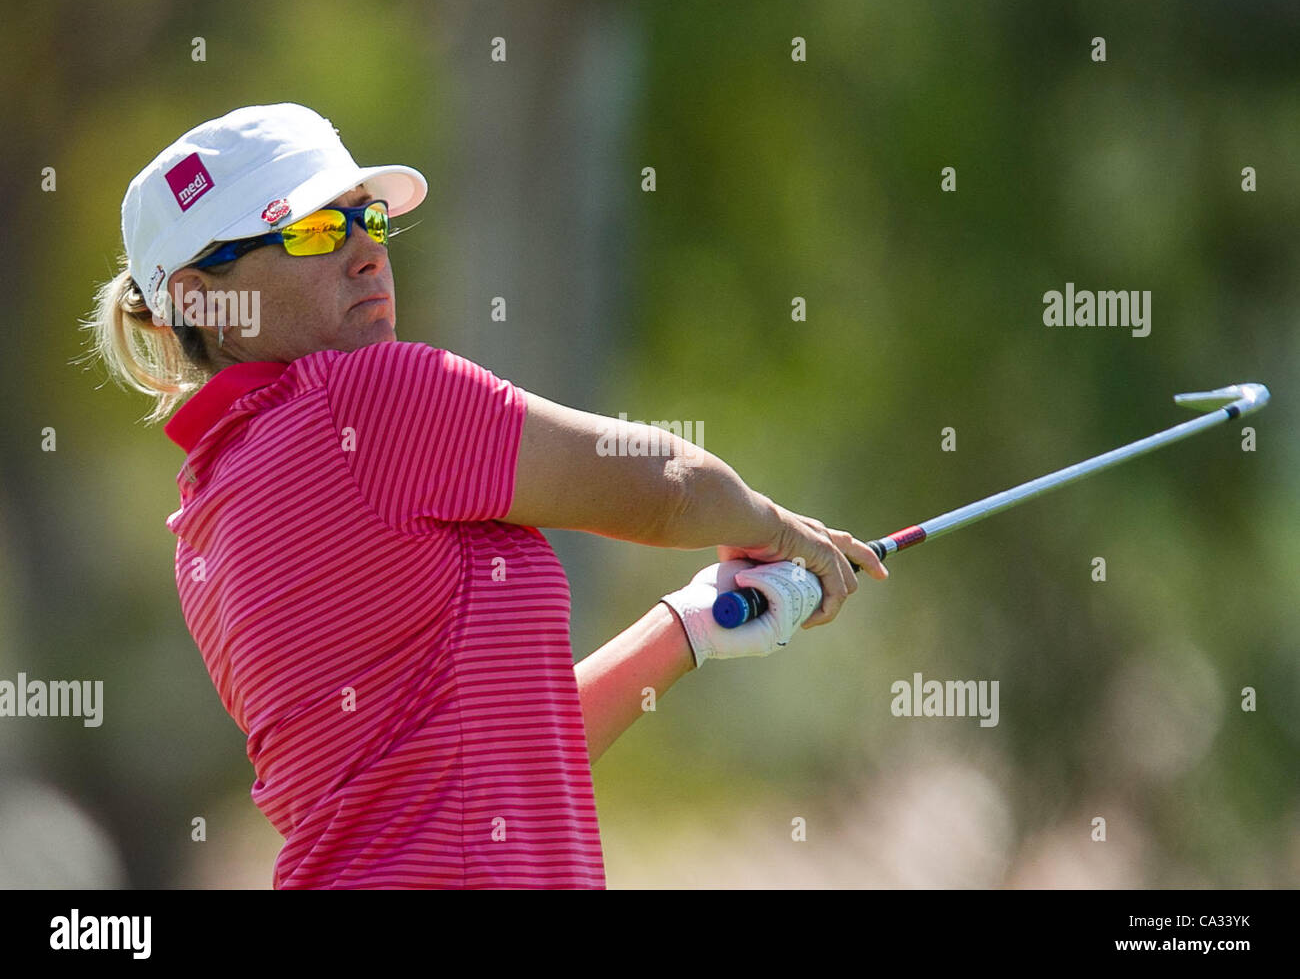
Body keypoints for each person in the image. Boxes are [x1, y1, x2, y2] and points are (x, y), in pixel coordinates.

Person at [81, 102, 888, 890]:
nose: (367, 254)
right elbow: (659, 485)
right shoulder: (362, 400)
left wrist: (688, 628)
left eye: (368, 221)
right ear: (199, 300)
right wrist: (780, 529)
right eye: (313, 230)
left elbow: (498, 751)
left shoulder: (201, 527)